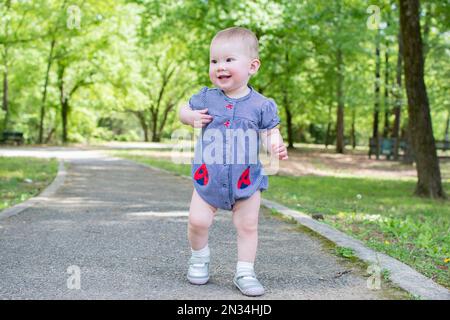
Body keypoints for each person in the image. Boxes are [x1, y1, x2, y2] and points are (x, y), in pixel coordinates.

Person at [178, 26, 288, 297]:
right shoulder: (206, 97)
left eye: (229, 60)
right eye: (214, 61)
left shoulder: (261, 105)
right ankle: (199, 258)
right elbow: (184, 110)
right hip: (209, 177)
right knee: (197, 221)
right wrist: (189, 118)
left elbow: (269, 131)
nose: (220, 67)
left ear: (252, 66)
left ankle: (245, 271)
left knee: (248, 226)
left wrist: (274, 144)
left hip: (246, 179)